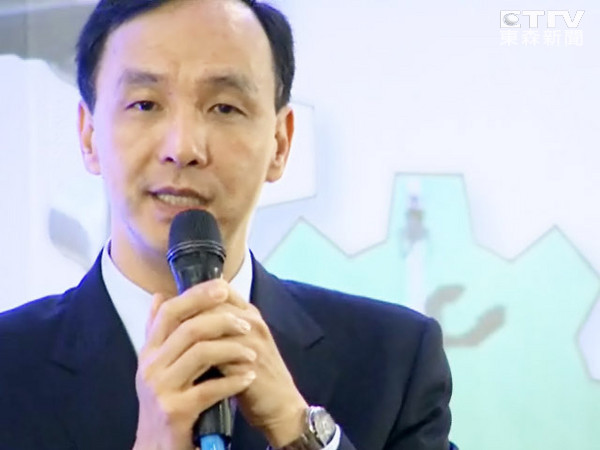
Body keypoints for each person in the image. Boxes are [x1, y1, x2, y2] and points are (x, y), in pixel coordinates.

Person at [0, 0, 454, 449]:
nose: (183, 148)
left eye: (224, 108)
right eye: (145, 104)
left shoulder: (394, 360)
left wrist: (300, 430)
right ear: (88, 135)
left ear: (280, 143)